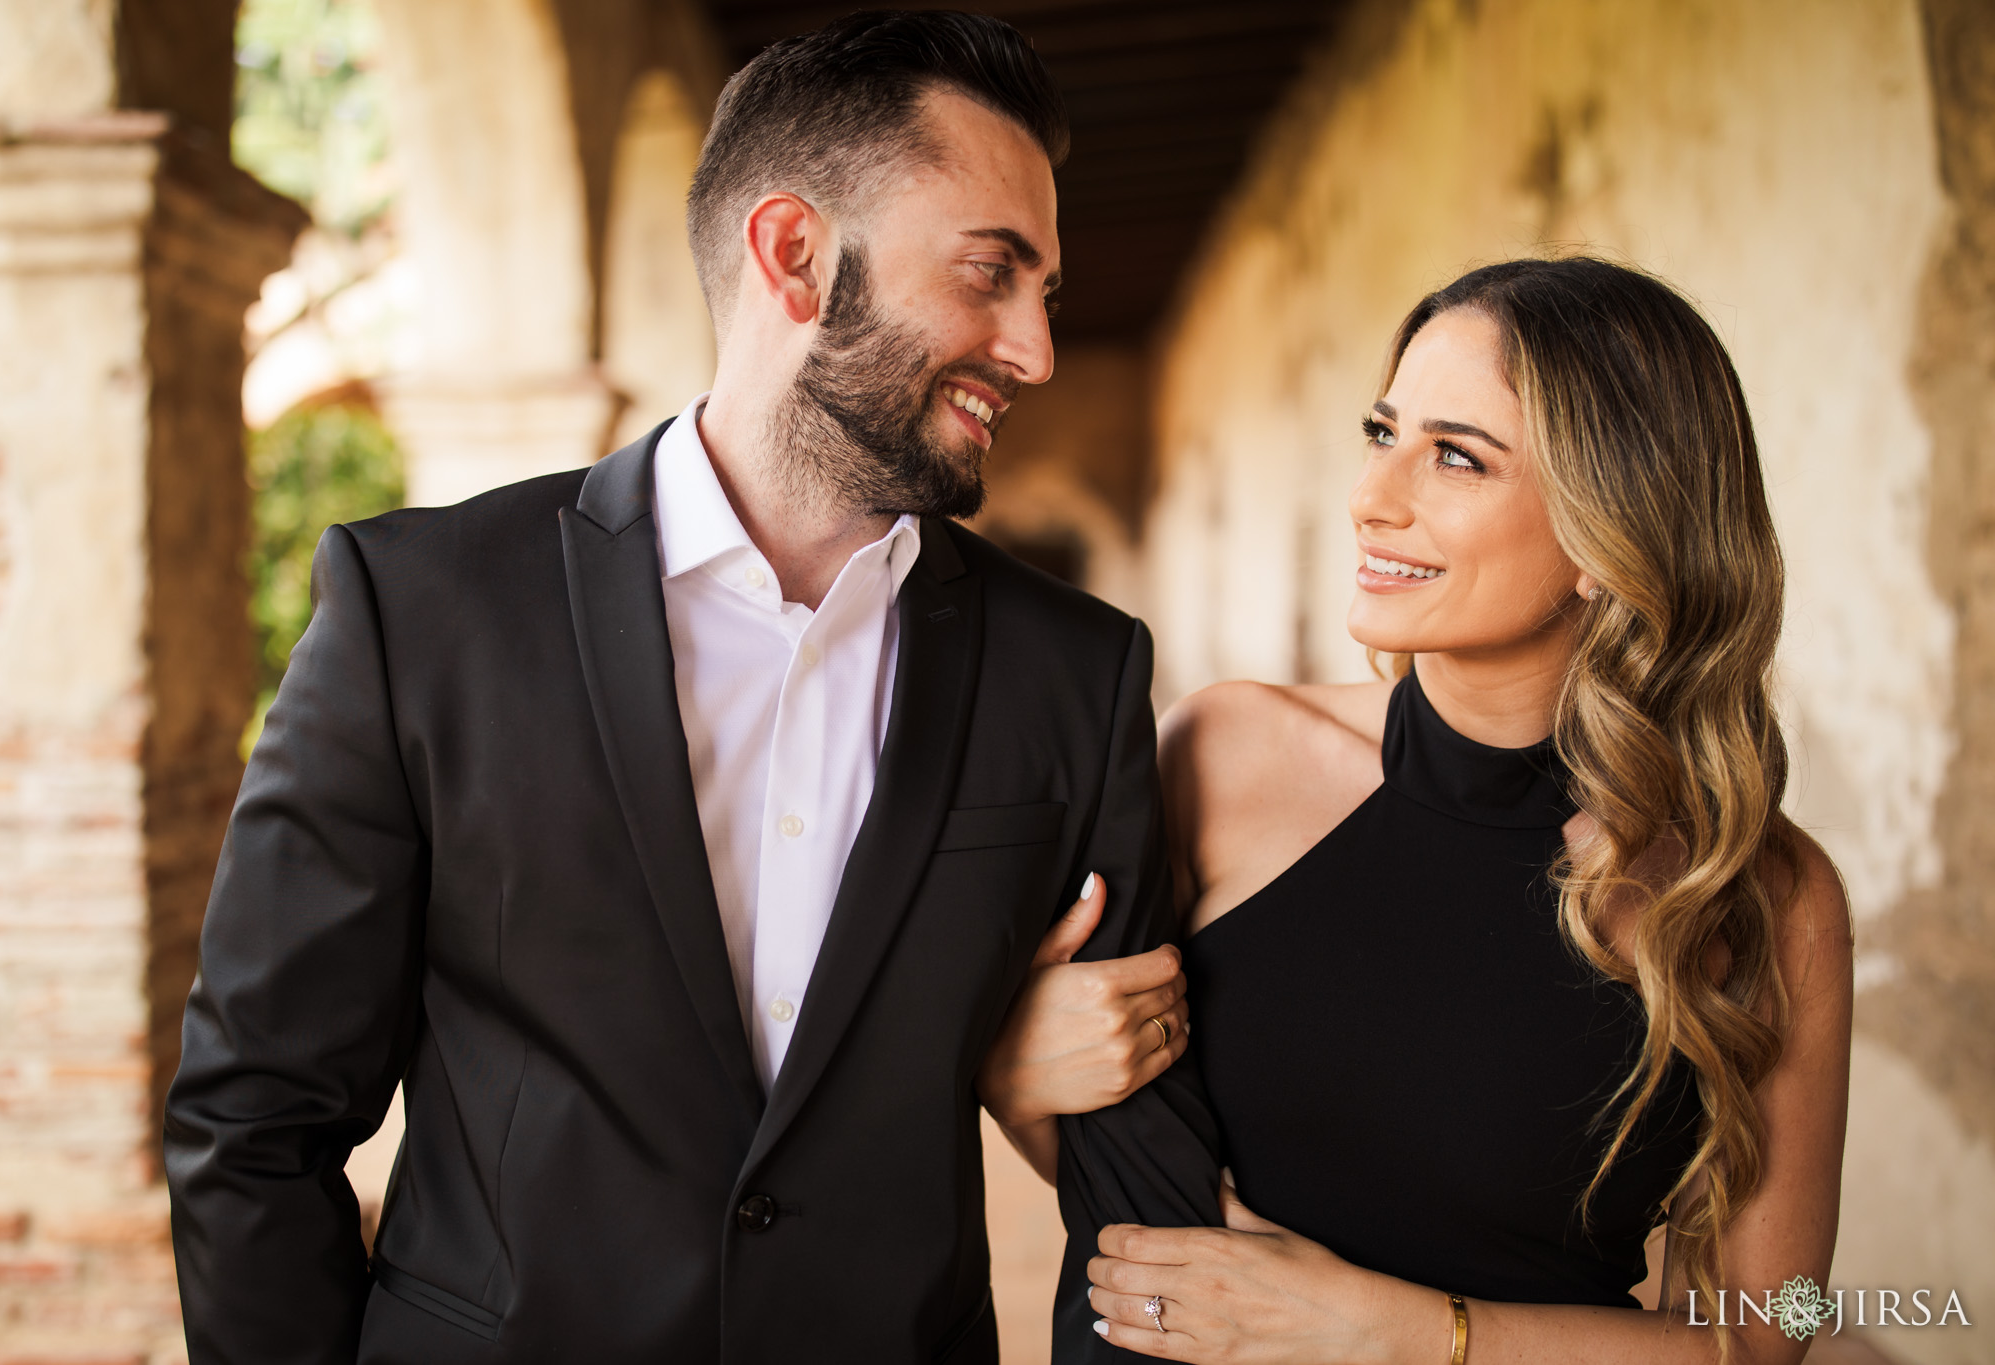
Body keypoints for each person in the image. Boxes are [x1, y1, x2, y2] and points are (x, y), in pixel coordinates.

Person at [163, 12, 1190, 1362]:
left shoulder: (1078, 670)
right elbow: (254, 1122)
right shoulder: (422, 610)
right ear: (796, 257)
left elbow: (1139, 1193)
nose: (1034, 349)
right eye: (992, 273)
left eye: (1041, 294)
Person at [981, 258, 1854, 1363]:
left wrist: (1400, 1335)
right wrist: (1011, 1074)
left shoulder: (1760, 896)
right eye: (1379, 432)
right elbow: (1117, 1162)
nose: (1369, 497)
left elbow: (1770, 1336)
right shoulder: (1225, 756)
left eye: (1454, 457)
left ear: (1605, 536)